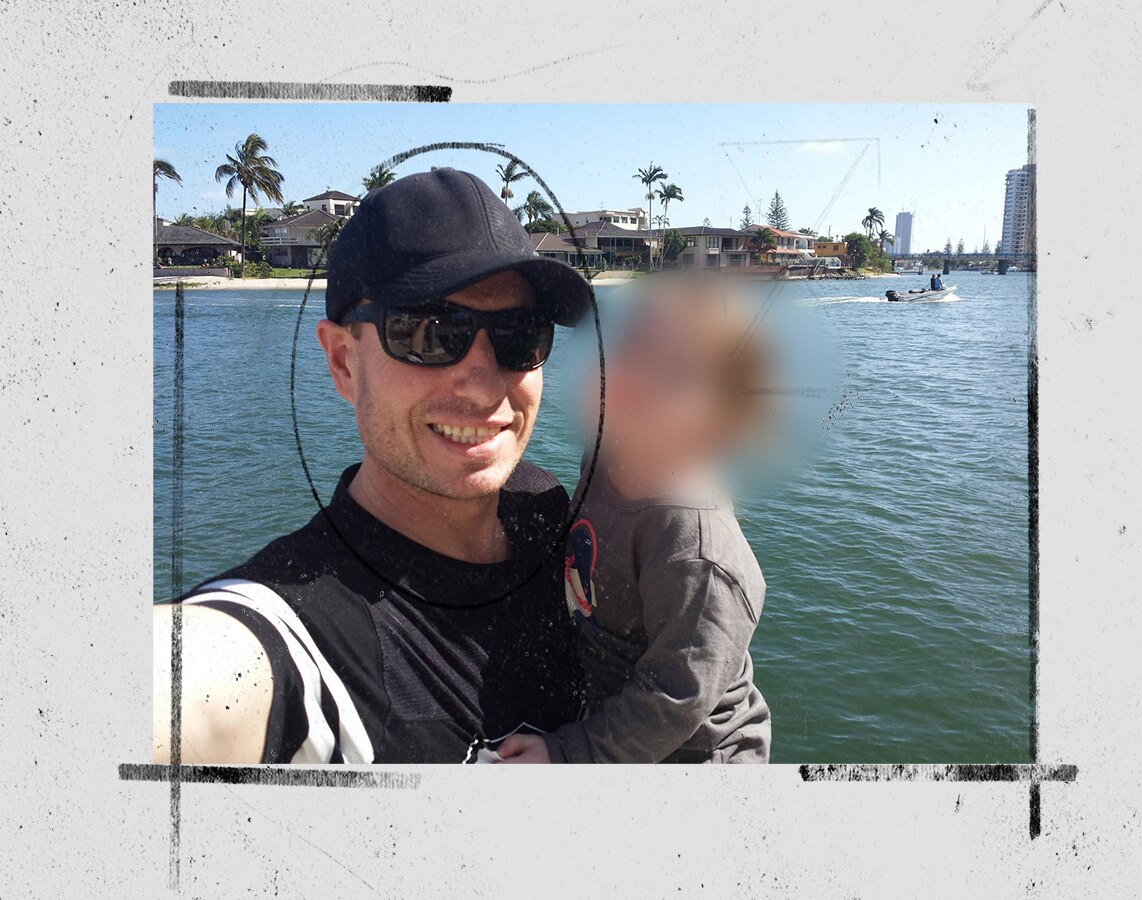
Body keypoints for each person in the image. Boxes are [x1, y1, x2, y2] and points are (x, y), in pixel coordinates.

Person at [151, 168, 594, 764]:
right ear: (342, 361)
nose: (486, 385)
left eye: (520, 335)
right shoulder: (303, 633)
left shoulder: (551, 515)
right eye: (433, 333)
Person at [495, 278, 772, 764]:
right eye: (631, 347)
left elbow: (673, 702)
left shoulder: (697, 554)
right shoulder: (605, 455)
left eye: (676, 372)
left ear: (719, 423)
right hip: (609, 693)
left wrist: (565, 756)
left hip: (696, 754)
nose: (636, 376)